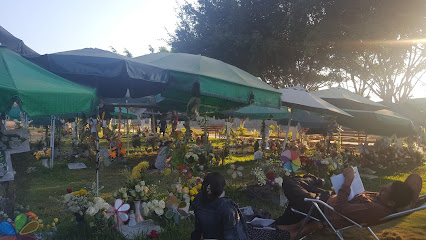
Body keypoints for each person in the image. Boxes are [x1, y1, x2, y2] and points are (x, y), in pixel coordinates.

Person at [275, 167, 422, 238]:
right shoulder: (383, 202)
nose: (380, 188)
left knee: (289, 183)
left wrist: (349, 181)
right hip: (329, 198)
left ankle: (314, 179)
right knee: (296, 198)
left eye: (385, 190)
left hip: (323, 208)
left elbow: (340, 208)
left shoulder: (375, 209)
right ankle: (278, 226)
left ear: (392, 202)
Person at [191, 172, 249, 240]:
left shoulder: (197, 199)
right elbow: (232, 234)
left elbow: (198, 229)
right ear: (220, 189)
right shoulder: (226, 207)